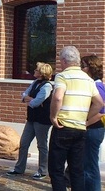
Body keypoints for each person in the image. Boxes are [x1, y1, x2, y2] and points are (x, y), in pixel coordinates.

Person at [48, 46, 103, 191]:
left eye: (60, 61)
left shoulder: (62, 76)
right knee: (77, 170)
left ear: (64, 61)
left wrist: (53, 116)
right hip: (80, 129)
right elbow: (99, 104)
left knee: (56, 169)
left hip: (63, 127)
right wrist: (84, 118)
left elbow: (58, 97)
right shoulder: (89, 79)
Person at [6, 62, 53, 180]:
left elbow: (34, 103)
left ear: (42, 73)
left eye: (36, 70)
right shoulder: (35, 83)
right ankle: (19, 168)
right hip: (31, 119)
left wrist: (31, 101)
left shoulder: (47, 86)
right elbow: (24, 95)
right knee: (24, 143)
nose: (34, 71)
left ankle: (42, 170)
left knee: (41, 145)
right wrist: (30, 100)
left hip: (42, 120)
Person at [80, 55, 105, 191]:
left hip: (93, 129)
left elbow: (101, 111)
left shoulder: (97, 86)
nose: (81, 69)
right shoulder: (94, 84)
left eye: (83, 66)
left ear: (91, 68)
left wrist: (85, 123)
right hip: (93, 129)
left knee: (90, 166)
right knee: (87, 165)